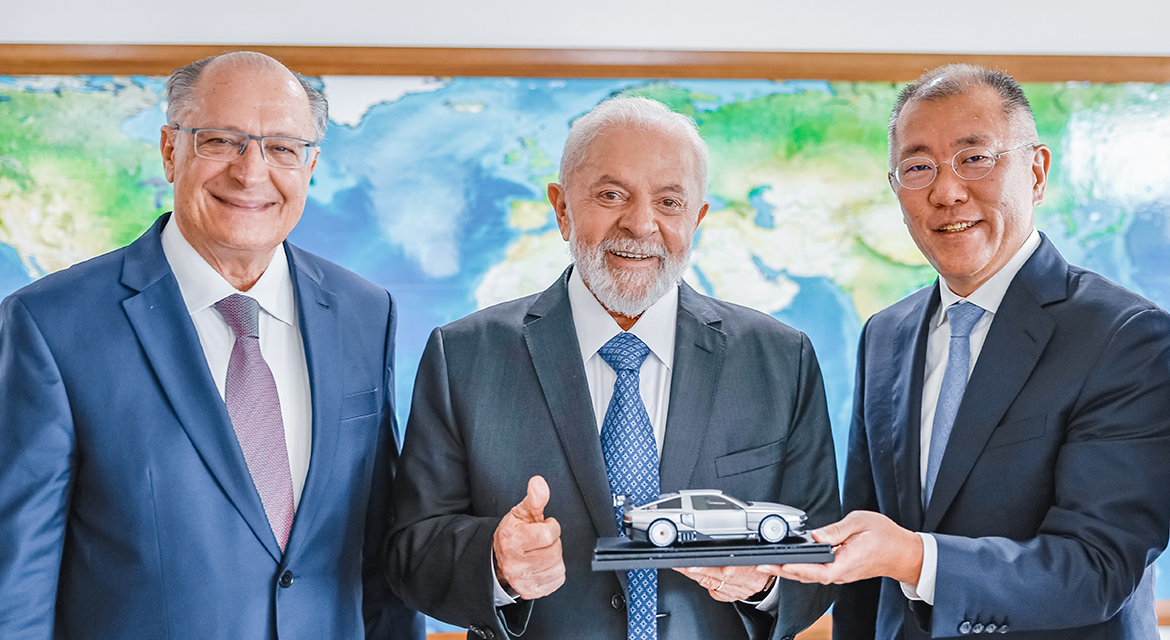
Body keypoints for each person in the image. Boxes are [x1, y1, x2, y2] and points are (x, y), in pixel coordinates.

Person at [0, 51, 424, 640]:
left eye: (281, 148)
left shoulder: (363, 312)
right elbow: (14, 590)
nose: (251, 173)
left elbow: (379, 558)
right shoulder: (50, 326)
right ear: (171, 150)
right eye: (222, 140)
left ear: (311, 165)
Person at [385, 96, 840, 640]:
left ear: (696, 220)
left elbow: (821, 556)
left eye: (669, 202)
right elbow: (411, 552)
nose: (641, 223)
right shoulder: (462, 355)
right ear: (561, 209)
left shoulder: (781, 359)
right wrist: (497, 563)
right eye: (610, 195)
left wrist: (763, 583)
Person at [768, 64, 1170, 639]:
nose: (946, 191)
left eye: (974, 158)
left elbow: (1098, 569)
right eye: (918, 167)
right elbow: (861, 553)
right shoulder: (886, 333)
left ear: (1036, 172)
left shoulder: (1127, 336)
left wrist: (913, 557)